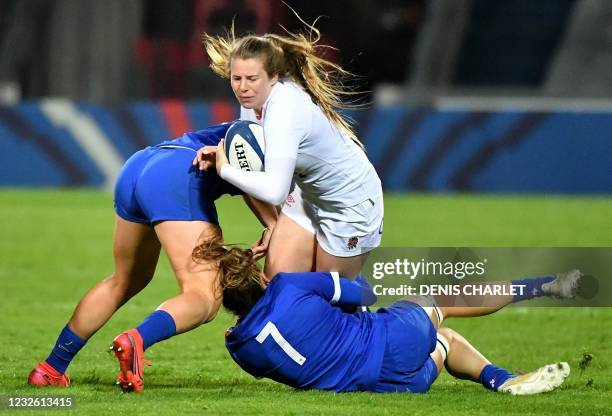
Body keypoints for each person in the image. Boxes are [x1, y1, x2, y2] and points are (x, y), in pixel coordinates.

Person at [27, 121, 278, 393]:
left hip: (139, 167)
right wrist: (274, 225)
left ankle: (51, 369)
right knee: (204, 296)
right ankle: (136, 340)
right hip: (177, 177)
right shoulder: (287, 138)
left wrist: (271, 223)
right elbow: (253, 172)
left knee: (125, 280)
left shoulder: (264, 120)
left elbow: (245, 170)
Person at [193, 240, 581, 394]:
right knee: (441, 300)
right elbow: (365, 293)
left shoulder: (238, 347)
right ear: (259, 276)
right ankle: (543, 285)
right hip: (388, 341)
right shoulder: (289, 287)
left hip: (392, 385)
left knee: (443, 341)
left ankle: (501, 379)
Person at [194, 19, 383, 280]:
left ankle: (420, 316)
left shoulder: (285, 109)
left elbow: (274, 190)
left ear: (274, 76)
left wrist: (224, 168)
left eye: (251, 78)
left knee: (329, 298)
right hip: (307, 196)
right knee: (276, 285)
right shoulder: (253, 100)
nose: (243, 87)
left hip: (349, 204)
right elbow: (254, 163)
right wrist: (272, 224)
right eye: (236, 78)